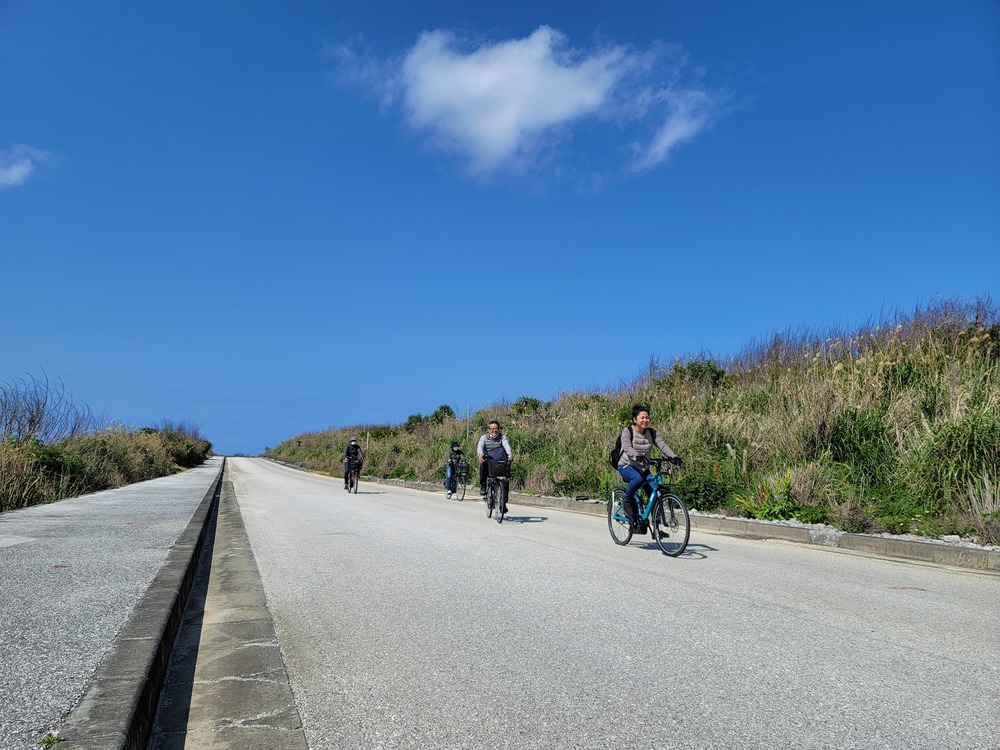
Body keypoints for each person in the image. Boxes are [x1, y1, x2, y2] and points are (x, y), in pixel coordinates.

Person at [616, 404, 681, 533]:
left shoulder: (652, 433)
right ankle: (627, 500)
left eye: (647, 417)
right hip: (626, 465)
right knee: (637, 478)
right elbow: (627, 447)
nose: (645, 420)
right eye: (642, 418)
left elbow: (662, 445)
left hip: (643, 467)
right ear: (635, 420)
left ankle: (657, 529)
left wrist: (674, 457)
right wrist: (637, 456)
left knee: (655, 494)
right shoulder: (627, 431)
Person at [477, 421, 512, 496]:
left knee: (505, 480)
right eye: (492, 429)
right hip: (488, 459)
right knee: (483, 466)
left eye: (496, 429)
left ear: (498, 429)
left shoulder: (502, 437)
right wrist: (480, 454)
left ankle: (503, 503)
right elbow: (480, 446)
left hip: (500, 460)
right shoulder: (484, 438)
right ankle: (483, 485)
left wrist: (510, 454)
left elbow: (506, 445)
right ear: (489, 430)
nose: (494, 430)